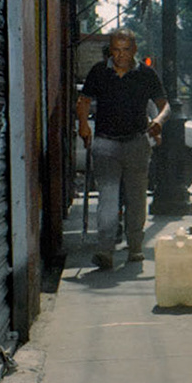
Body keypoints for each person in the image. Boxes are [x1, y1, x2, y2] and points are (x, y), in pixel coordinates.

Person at [75, 30, 168, 271]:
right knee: (107, 198)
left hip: (137, 142)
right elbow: (83, 101)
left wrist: (159, 120)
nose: (121, 55)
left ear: (134, 50)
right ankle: (105, 250)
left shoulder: (146, 75)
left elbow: (164, 105)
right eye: (116, 49)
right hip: (105, 143)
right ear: (110, 50)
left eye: (126, 50)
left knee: (136, 198)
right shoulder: (99, 71)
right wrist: (83, 125)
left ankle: (135, 247)